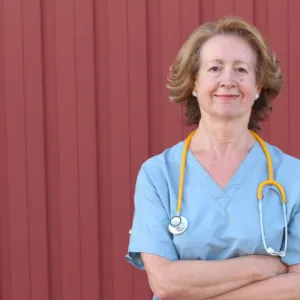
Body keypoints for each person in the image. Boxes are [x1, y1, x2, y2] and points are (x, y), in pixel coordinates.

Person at [125, 16, 300, 300]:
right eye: (215, 68)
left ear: (258, 86)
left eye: (241, 69)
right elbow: (165, 282)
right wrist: (260, 267)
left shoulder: (292, 177)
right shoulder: (159, 175)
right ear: (193, 83)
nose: (227, 81)